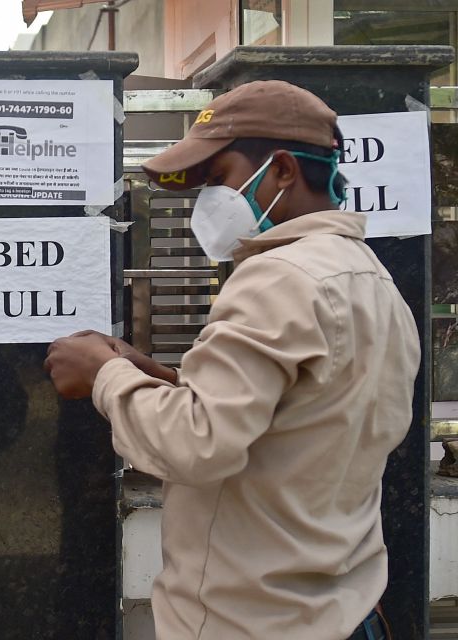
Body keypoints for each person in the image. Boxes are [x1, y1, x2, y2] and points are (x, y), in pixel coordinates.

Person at [44, 80, 419, 640]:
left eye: (218, 178)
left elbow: (196, 445)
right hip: (341, 611)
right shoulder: (372, 279)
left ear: (285, 170)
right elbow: (298, 420)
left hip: (250, 620)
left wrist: (104, 375)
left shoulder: (277, 277)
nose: (208, 201)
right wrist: (166, 380)